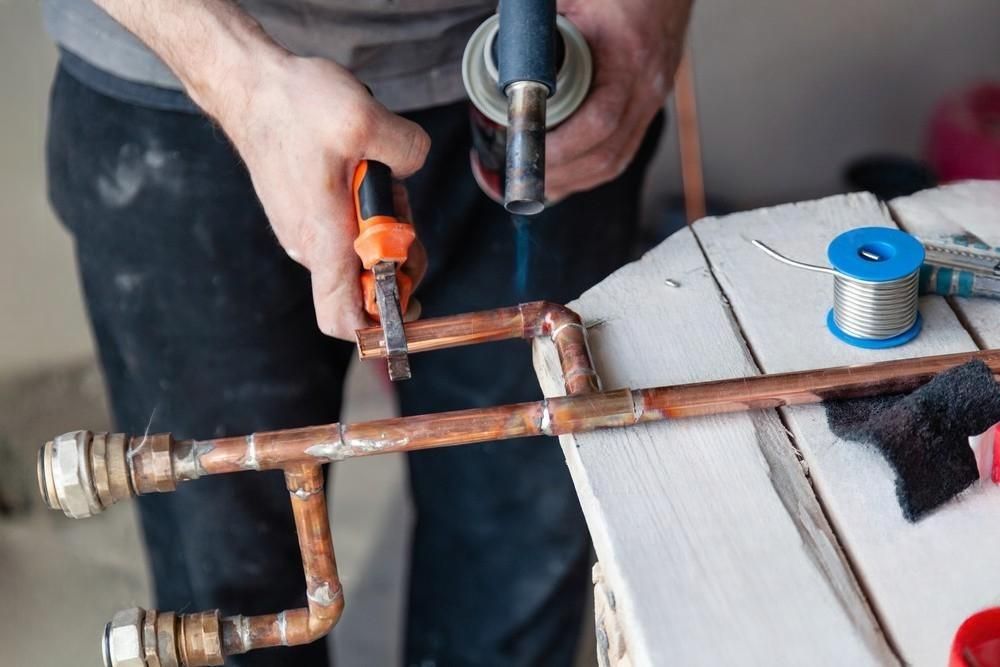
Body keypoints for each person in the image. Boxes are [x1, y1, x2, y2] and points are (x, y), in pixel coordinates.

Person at [42, 1, 691, 664]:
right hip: (181, 83)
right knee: (232, 590)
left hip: (544, 64)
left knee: (519, 551)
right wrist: (239, 78)